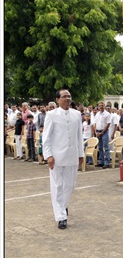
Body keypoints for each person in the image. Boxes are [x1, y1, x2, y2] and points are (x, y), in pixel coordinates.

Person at [42, 89, 84, 229]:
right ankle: (61, 216)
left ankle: (63, 206)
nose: (67, 99)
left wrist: (81, 154)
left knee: (70, 185)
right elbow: (46, 138)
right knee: (57, 185)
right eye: (64, 97)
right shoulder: (51, 115)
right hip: (56, 157)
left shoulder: (77, 114)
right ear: (58, 99)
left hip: (72, 155)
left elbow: (79, 135)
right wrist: (48, 155)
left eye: (69, 96)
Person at [92, 101, 111, 169]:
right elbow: (94, 123)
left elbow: (108, 124)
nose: (101, 107)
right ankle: (101, 161)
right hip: (98, 131)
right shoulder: (97, 114)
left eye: (102, 105)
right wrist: (95, 132)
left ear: (104, 106)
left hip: (104, 132)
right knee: (100, 147)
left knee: (106, 147)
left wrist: (102, 132)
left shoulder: (107, 114)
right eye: (100, 105)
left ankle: (107, 162)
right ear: (98, 106)